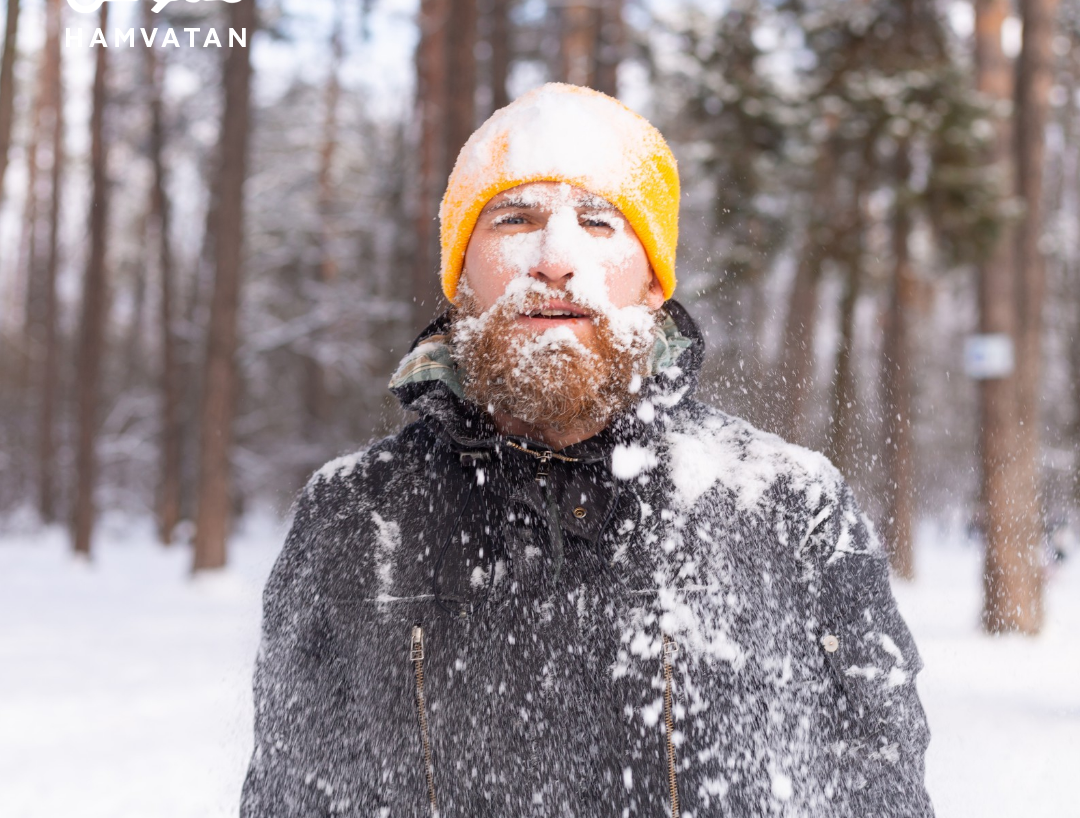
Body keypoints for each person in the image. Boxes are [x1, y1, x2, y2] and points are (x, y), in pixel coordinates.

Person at [240, 83, 934, 817]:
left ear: (653, 280)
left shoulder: (790, 506)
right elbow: (291, 795)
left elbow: (878, 792)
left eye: (601, 223)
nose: (556, 258)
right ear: (462, 274)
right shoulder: (353, 513)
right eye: (514, 218)